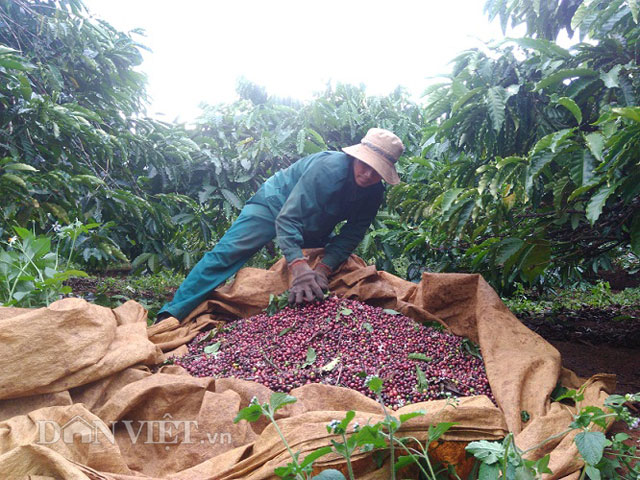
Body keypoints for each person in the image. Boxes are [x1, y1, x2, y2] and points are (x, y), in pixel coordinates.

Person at [155, 128, 405, 322]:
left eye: (377, 172)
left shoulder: (373, 193)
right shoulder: (328, 169)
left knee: (322, 268)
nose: (368, 175)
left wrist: (321, 270)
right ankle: (172, 313)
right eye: (365, 166)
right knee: (227, 254)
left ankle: (295, 310)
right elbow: (288, 218)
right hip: (274, 204)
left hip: (317, 223)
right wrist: (298, 265)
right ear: (355, 158)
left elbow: (352, 234)